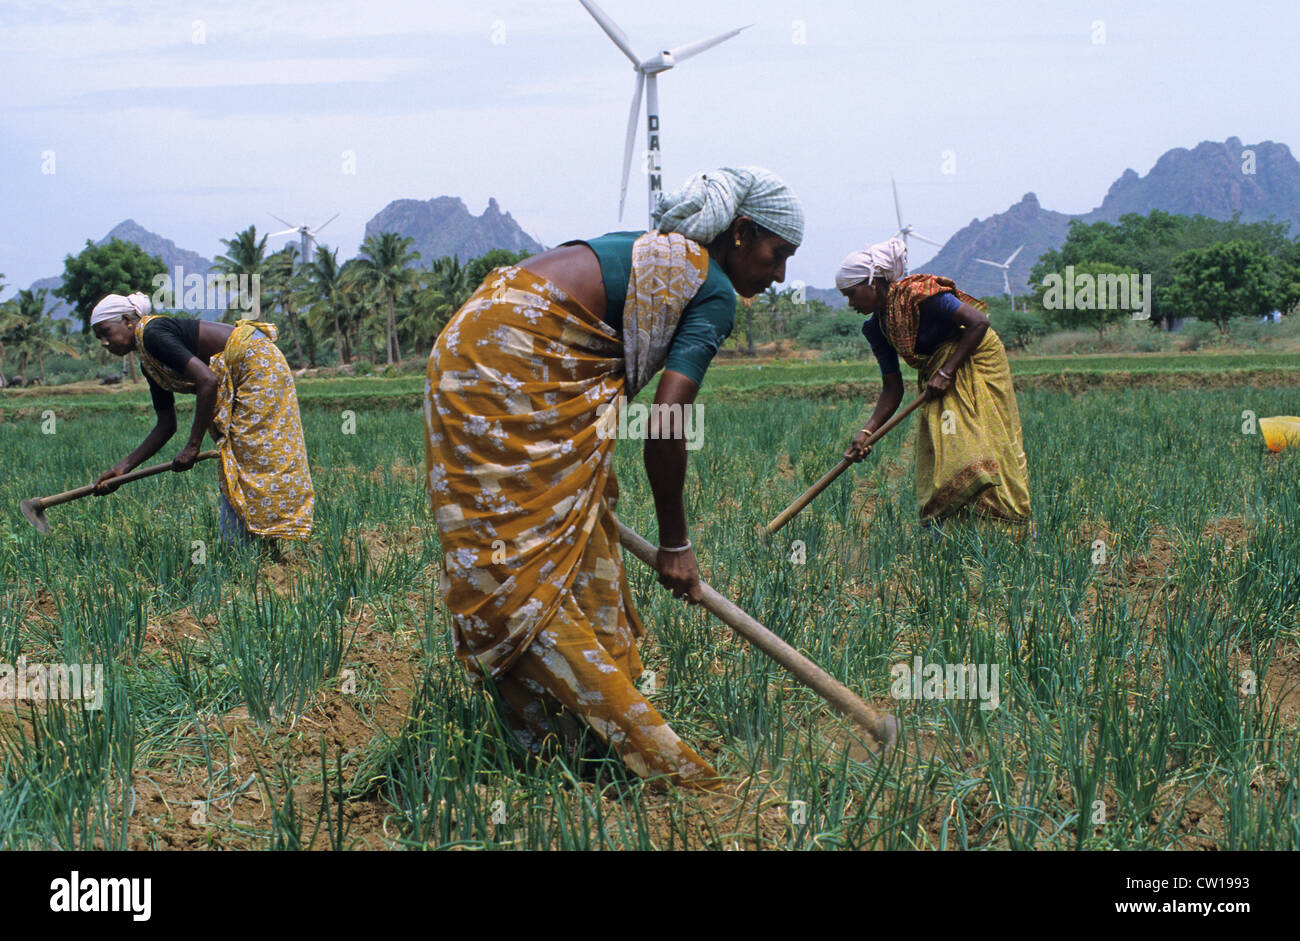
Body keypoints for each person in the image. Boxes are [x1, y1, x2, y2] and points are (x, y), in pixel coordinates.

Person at [424, 167, 803, 786]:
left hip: (473, 338)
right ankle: (632, 750)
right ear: (741, 233)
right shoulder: (709, 287)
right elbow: (668, 419)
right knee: (516, 565)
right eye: (777, 253)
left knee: (558, 540)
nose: (779, 274)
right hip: (509, 358)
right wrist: (676, 544)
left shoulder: (658, 256)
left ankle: (568, 742)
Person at [90, 292, 314, 546]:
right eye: (99, 338)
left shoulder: (152, 334)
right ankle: (252, 545)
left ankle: (252, 544)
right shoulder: (148, 362)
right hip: (245, 368)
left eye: (106, 332)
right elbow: (166, 425)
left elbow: (207, 380)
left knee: (251, 453)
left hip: (256, 362)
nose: (105, 343)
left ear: (127, 320)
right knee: (241, 454)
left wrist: (193, 446)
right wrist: (122, 469)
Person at [838, 238, 1030, 527]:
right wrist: (867, 432)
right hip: (937, 373)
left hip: (975, 358)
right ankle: (958, 530)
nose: (851, 304)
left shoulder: (920, 294)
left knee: (979, 440)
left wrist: (948, 371)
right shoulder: (876, 328)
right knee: (943, 449)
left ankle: (1003, 523)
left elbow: (978, 323)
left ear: (872, 283)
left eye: (852, 294)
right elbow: (892, 388)